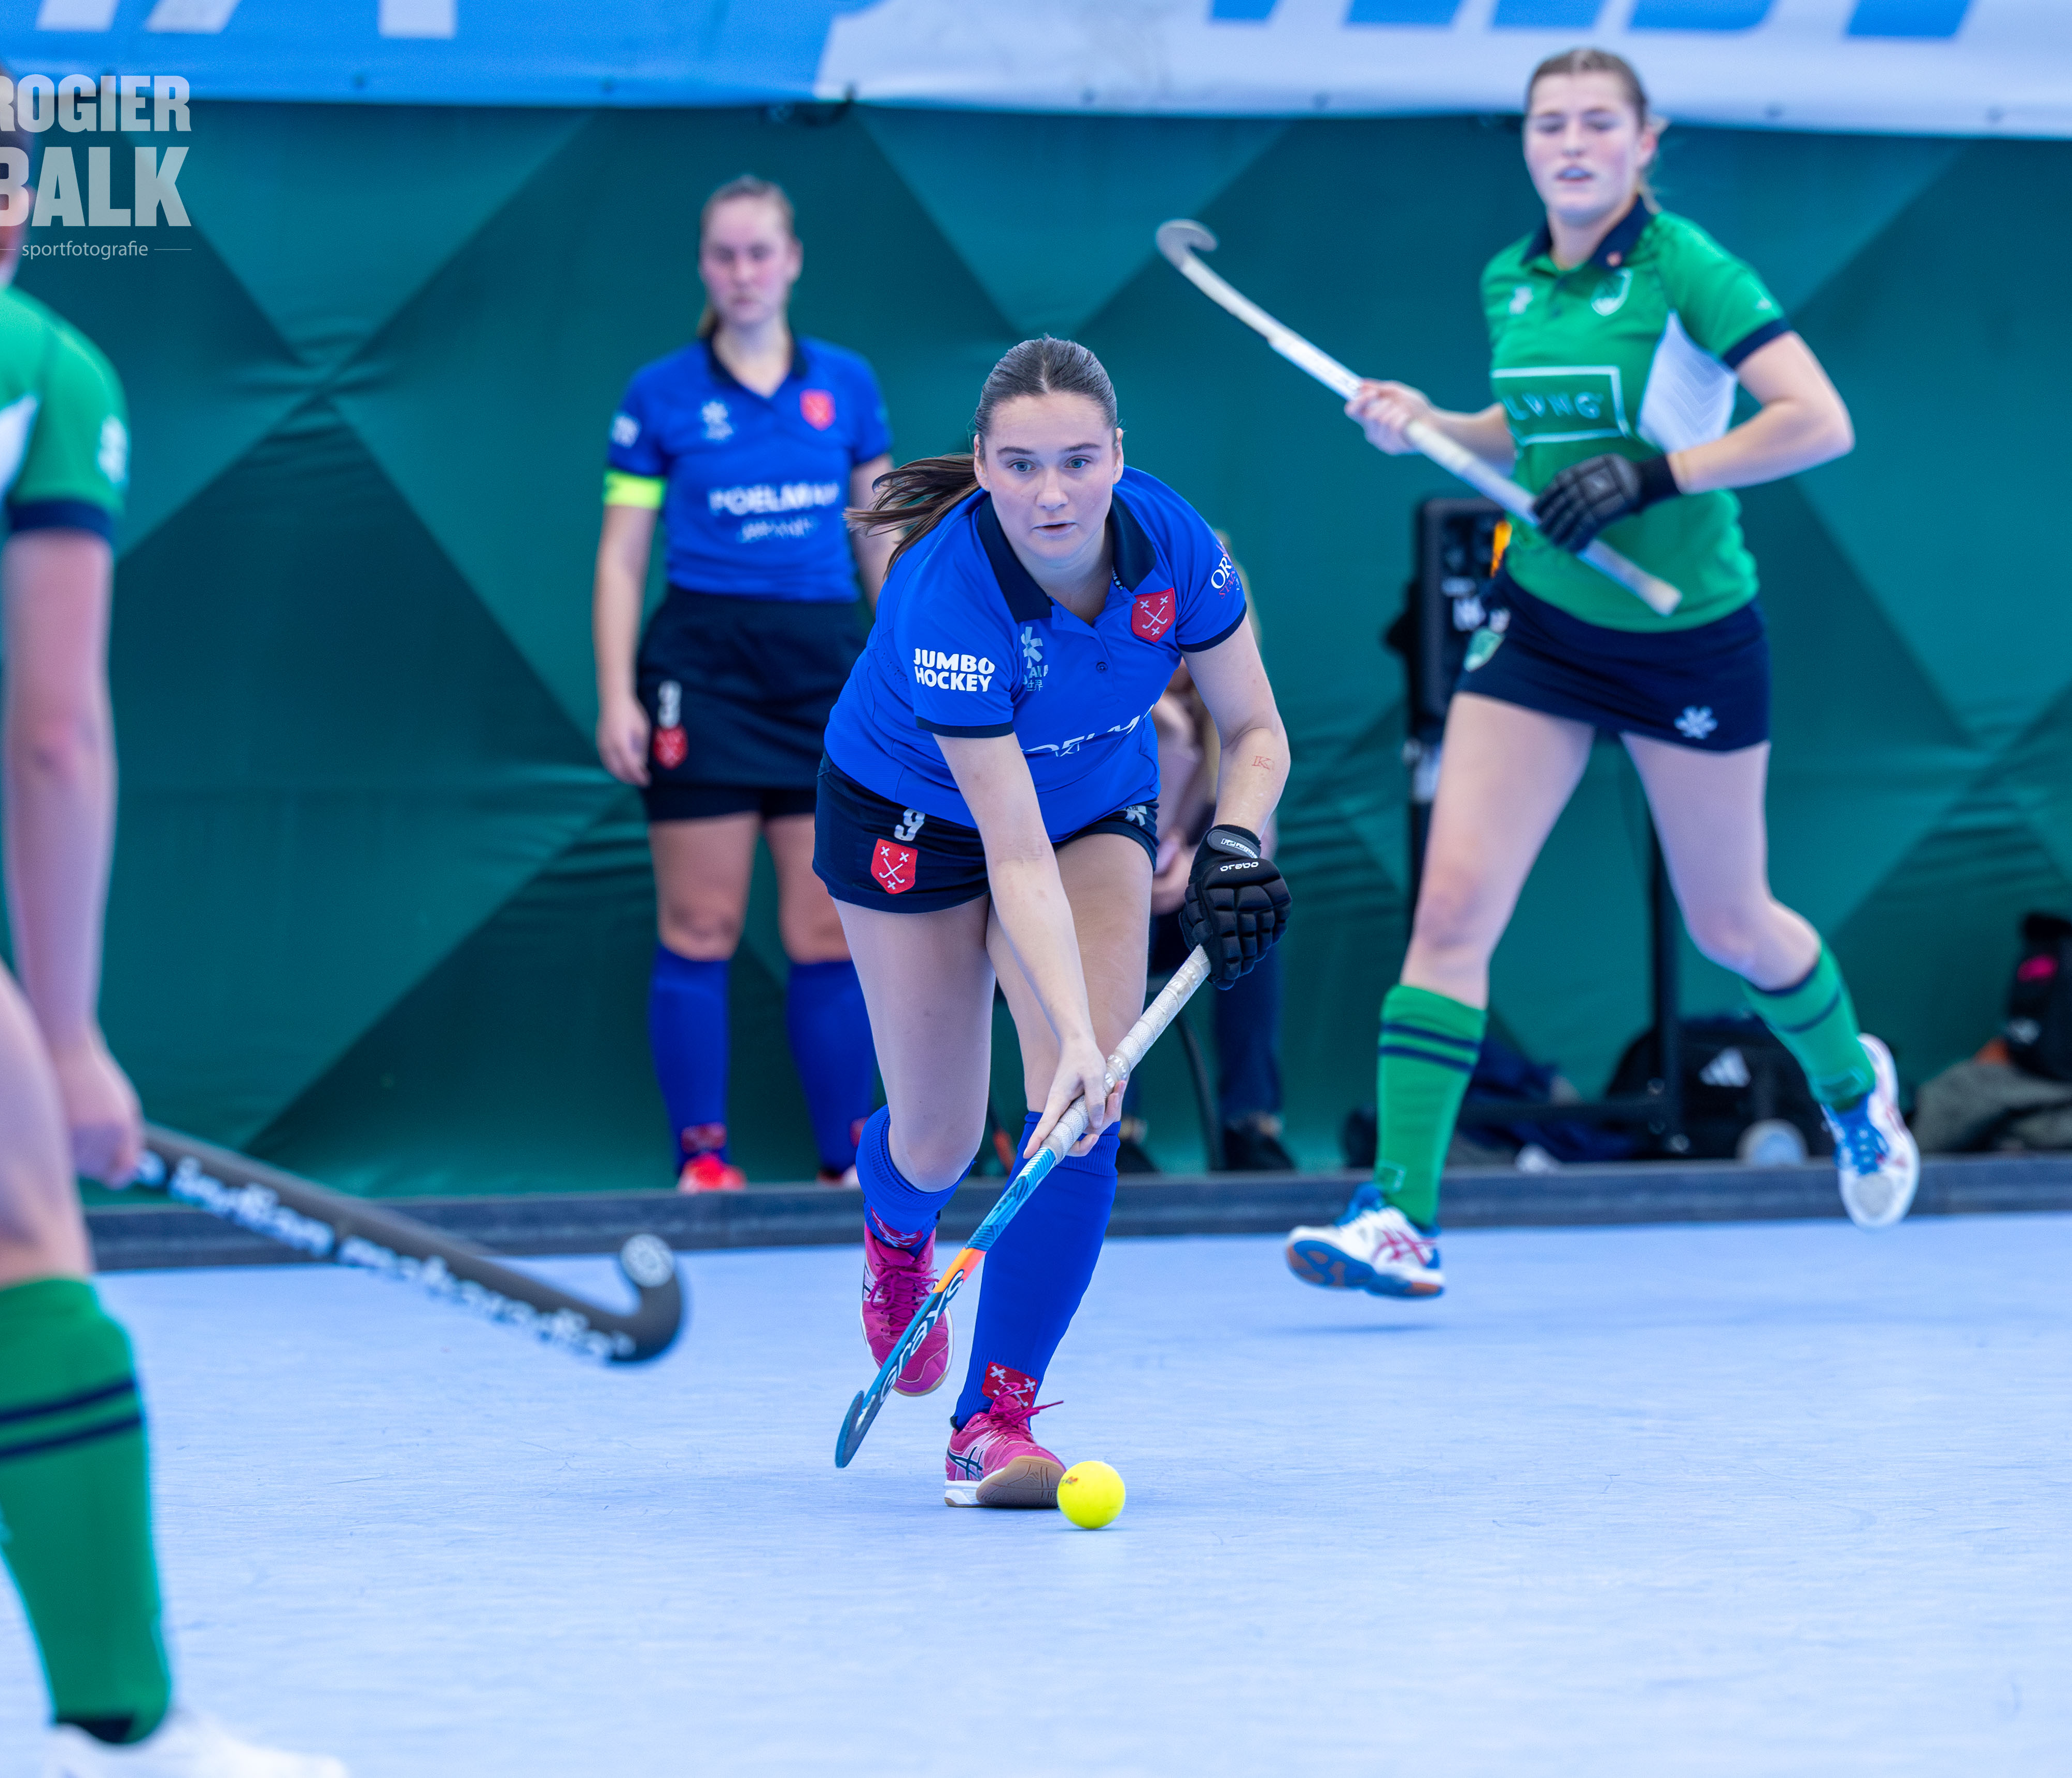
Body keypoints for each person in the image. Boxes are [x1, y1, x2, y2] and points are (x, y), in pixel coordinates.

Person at [0, 29, 343, 1777]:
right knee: (13, 1238)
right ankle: (124, 1729)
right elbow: (53, 736)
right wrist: (65, 1043)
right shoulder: (41, 358)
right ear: (1, 208)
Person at [1285, 47, 1917, 1303]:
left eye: (1595, 123)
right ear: (1526, 143)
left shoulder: (1687, 268)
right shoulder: (1508, 278)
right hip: (1542, 626)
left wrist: (1655, 475)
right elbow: (1519, 433)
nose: (1569, 144)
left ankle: (1854, 1092)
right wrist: (1424, 422)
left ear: (1644, 141)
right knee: (1451, 911)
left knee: (1730, 923)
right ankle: (1401, 1215)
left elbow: (1816, 419)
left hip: (1688, 635)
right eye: (1548, 124)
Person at [817, 337, 1291, 1505]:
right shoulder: (946, 593)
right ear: (982, 465)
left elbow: (1256, 732)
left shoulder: (1176, 545)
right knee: (936, 1139)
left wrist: (1234, 842)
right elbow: (1009, 850)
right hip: (915, 813)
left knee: (1082, 1113)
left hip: (1089, 799)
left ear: (1118, 456)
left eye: (1078, 460)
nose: (1052, 492)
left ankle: (993, 1416)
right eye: (1022, 465)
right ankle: (896, 1228)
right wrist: (1077, 1028)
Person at [596, 176, 895, 1192]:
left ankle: (844, 1168)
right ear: (702, 266)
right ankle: (704, 1162)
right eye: (724, 254)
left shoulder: (848, 384)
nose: (743, 272)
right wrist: (616, 694)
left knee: (826, 927)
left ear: (793, 259)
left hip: (823, 671)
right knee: (700, 925)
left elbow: (880, 541)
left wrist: (909, 675)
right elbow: (621, 557)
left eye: (760, 251)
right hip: (702, 672)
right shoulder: (658, 394)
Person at [1143, 612, 1295, 1171]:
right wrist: (1169, 734)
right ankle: (1115, 1131)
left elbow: (1259, 845)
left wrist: (1197, 873)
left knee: (1249, 915)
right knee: (1118, 922)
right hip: (1107, 909)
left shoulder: (1244, 722)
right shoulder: (1109, 703)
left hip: (1184, 906)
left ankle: (1249, 1123)